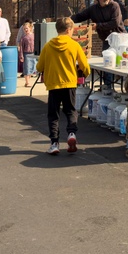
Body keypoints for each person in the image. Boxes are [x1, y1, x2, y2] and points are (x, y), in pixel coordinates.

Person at [36, 17, 91, 155]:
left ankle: (54, 143)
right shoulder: (74, 45)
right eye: (72, 30)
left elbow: (39, 66)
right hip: (70, 83)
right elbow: (85, 66)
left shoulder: (48, 46)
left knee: (53, 114)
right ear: (68, 30)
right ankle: (71, 134)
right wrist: (84, 73)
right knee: (71, 110)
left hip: (54, 84)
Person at [71, 0, 124, 88]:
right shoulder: (93, 9)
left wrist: (98, 26)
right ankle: (108, 87)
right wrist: (67, 20)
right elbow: (79, 16)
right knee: (107, 64)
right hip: (106, 40)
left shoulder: (114, 6)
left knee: (120, 65)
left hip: (119, 39)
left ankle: (116, 85)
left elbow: (115, 22)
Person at [17, 20, 36, 88]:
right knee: (27, 68)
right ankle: (27, 82)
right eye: (24, 29)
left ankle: (28, 81)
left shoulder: (34, 36)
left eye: (26, 28)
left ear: (30, 28)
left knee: (32, 68)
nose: (25, 30)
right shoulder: (23, 38)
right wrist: (21, 56)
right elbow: (21, 47)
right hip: (26, 54)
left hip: (33, 53)